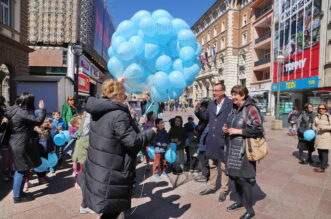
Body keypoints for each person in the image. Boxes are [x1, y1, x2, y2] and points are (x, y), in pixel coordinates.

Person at [77, 79, 156, 218]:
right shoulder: (118, 114)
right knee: (112, 208)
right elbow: (132, 142)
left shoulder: (98, 109)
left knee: (108, 206)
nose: (125, 99)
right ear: (117, 96)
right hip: (113, 168)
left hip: (100, 163)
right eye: (124, 95)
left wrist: (115, 85)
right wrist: (151, 132)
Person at [223, 85, 264, 219]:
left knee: (244, 180)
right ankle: (240, 202)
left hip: (244, 151)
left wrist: (238, 131)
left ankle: (249, 210)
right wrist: (226, 128)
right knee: (235, 178)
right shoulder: (234, 109)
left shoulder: (251, 109)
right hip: (231, 149)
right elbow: (231, 125)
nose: (233, 97)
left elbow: (258, 129)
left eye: (236, 94)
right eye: (232, 94)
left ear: (243, 95)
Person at [4, 92, 46, 203]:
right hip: (21, 144)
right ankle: (17, 196)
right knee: (21, 170)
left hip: (16, 142)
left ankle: (20, 193)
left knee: (23, 169)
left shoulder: (14, 109)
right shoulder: (23, 112)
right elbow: (38, 121)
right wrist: (42, 109)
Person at [194, 83, 232, 202]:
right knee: (212, 164)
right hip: (212, 139)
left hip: (225, 139)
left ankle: (224, 190)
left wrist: (230, 128)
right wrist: (197, 109)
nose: (214, 93)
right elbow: (205, 117)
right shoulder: (211, 103)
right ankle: (212, 186)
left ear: (223, 91)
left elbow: (235, 118)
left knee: (225, 167)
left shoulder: (230, 104)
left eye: (216, 90)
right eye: (213, 90)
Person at [72, 111, 91, 188]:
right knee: (83, 169)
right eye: (81, 120)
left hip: (82, 153)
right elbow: (87, 122)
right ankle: (77, 182)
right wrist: (87, 114)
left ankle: (80, 181)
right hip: (82, 153)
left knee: (83, 169)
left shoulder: (81, 132)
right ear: (78, 124)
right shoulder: (83, 131)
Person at [312, 104, 331, 173]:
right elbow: (313, 125)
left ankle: (323, 167)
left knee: (324, 152)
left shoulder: (329, 117)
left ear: (326, 109)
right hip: (318, 137)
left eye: (323, 108)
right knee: (319, 151)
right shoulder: (316, 116)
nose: (321, 110)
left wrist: (324, 127)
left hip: (326, 137)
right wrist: (315, 128)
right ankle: (322, 163)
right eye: (320, 108)